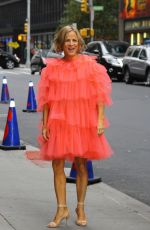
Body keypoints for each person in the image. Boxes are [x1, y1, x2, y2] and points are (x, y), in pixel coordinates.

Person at [32, 25, 112, 228]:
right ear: (61, 43)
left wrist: (100, 119)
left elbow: (100, 95)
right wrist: (45, 122)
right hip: (59, 120)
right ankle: (61, 209)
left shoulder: (91, 66)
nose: (71, 44)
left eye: (74, 40)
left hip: (83, 120)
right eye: (67, 40)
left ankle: (80, 207)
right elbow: (47, 99)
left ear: (79, 43)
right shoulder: (52, 68)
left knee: (81, 165)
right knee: (57, 165)